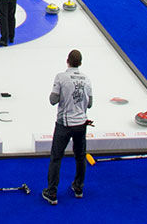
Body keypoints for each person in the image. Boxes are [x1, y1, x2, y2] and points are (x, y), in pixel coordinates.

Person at [42, 49, 92, 205]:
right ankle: (78, 188)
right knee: (80, 156)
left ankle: (52, 192)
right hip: (81, 124)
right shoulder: (86, 79)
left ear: (67, 60)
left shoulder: (61, 77)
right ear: (81, 63)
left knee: (56, 157)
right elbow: (89, 103)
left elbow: (53, 100)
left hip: (64, 123)